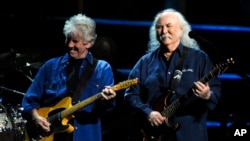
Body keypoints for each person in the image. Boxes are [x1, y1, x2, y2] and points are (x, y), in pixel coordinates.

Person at [124, 8, 222, 141]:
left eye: (169, 26)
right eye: (159, 27)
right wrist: (148, 113)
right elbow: (131, 94)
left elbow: (216, 92)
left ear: (182, 30)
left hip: (190, 134)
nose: (164, 31)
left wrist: (207, 95)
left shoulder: (200, 59)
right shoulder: (145, 62)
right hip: (154, 135)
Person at [21, 13, 116, 141]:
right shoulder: (50, 66)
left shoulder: (102, 69)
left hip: (85, 136)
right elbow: (30, 100)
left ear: (88, 43)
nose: (70, 45)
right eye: (67, 39)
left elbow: (108, 109)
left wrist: (107, 100)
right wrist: (36, 117)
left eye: (75, 41)